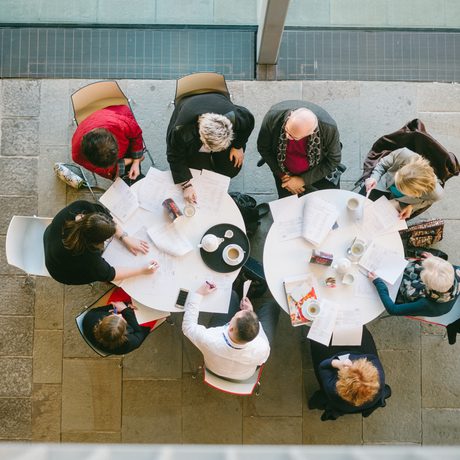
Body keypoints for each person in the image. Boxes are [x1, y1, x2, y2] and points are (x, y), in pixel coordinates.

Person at [43, 200, 159, 285]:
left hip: (51, 236)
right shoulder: (88, 257)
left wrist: (125, 237)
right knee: (101, 277)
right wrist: (142, 270)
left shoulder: (80, 208)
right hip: (59, 270)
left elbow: (106, 216)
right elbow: (110, 274)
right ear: (97, 242)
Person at [166, 93, 255, 203]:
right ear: (201, 136)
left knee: (230, 169)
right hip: (190, 118)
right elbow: (174, 155)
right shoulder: (181, 131)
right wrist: (186, 185)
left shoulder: (235, 116)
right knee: (196, 172)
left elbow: (249, 121)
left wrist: (238, 146)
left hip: (216, 113)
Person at [182, 283, 279, 380]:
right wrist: (251, 313)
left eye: (235, 316)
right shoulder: (262, 348)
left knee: (231, 296)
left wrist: (198, 294)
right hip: (243, 376)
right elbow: (262, 360)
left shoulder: (209, 338)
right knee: (273, 305)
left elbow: (188, 327)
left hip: (214, 368)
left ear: (231, 328)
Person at [257, 101, 342, 198]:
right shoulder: (272, 117)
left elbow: (334, 160)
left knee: (327, 203)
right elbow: (263, 148)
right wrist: (283, 176)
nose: (287, 137)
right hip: (284, 172)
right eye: (287, 131)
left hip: (319, 170)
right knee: (289, 207)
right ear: (289, 116)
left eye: (294, 137)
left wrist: (302, 181)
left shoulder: (329, 128)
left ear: (311, 132)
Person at [307, 327, 390, 420]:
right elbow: (371, 357)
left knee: (318, 339)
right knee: (361, 332)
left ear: (342, 385)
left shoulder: (332, 389)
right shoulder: (380, 377)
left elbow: (323, 366)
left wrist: (337, 363)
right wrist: (351, 360)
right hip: (367, 402)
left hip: (339, 403)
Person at [369, 253, 460, 317]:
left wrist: (379, 284)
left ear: (426, 284)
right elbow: (442, 268)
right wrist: (434, 260)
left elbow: (393, 310)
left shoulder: (427, 305)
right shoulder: (457, 271)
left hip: (405, 293)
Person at [363, 147, 443, 219]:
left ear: (417, 194)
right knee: (361, 204)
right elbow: (383, 164)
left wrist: (412, 207)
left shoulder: (436, 194)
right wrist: (374, 178)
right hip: (383, 185)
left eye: (401, 189)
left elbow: (428, 201)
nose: (396, 187)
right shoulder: (404, 154)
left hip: (401, 202)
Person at [72, 105, 145, 182]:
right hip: (105, 122)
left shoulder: (120, 123)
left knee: (130, 179)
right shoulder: (78, 156)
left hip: (115, 114)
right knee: (130, 179)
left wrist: (136, 161)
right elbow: (107, 171)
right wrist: (135, 160)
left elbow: (136, 134)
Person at [83, 300, 150, 355]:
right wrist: (125, 310)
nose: (120, 315)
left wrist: (115, 307)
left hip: (89, 333)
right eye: (123, 321)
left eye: (114, 315)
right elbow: (141, 332)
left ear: (102, 321)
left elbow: (95, 310)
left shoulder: (91, 317)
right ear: (125, 332)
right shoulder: (126, 345)